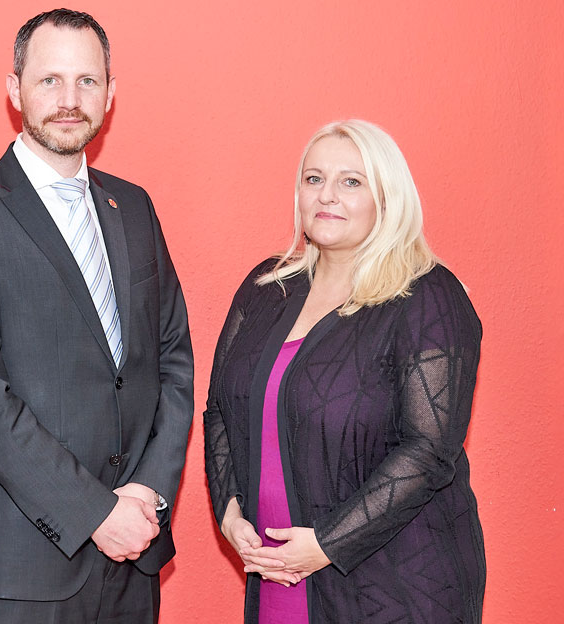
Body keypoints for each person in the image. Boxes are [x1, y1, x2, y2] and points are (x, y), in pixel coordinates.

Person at [0, 8, 194, 623]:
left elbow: (172, 359)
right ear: (14, 90)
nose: (70, 100)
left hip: (135, 557)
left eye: (87, 81)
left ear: (111, 94)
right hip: (23, 569)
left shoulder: (135, 207)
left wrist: (147, 492)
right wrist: (95, 513)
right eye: (50, 80)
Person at [204, 119, 485, 622]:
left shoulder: (427, 296)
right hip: (277, 574)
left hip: (396, 585)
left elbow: (430, 450)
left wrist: (327, 544)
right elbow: (220, 410)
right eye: (314, 179)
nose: (327, 195)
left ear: (387, 197)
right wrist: (229, 511)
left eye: (351, 181)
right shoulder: (266, 288)